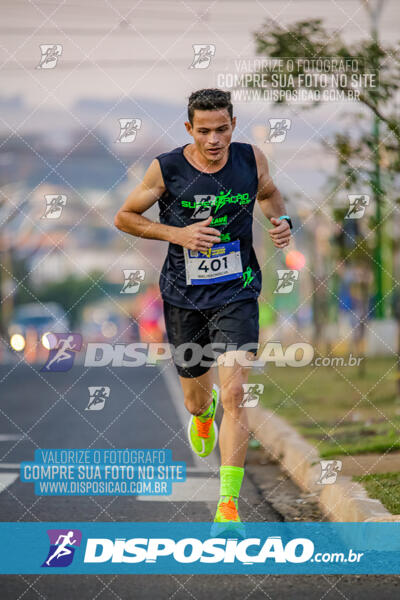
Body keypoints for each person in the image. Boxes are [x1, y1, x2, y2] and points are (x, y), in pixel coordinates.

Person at [114, 88, 292, 533]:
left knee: (234, 394)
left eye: (223, 129)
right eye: (205, 131)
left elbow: (269, 194)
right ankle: (201, 412)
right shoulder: (167, 167)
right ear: (190, 129)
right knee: (199, 401)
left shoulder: (250, 159)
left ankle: (228, 506)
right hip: (182, 296)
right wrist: (179, 235)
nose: (215, 139)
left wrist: (280, 221)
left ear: (233, 125)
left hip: (238, 290)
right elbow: (125, 217)